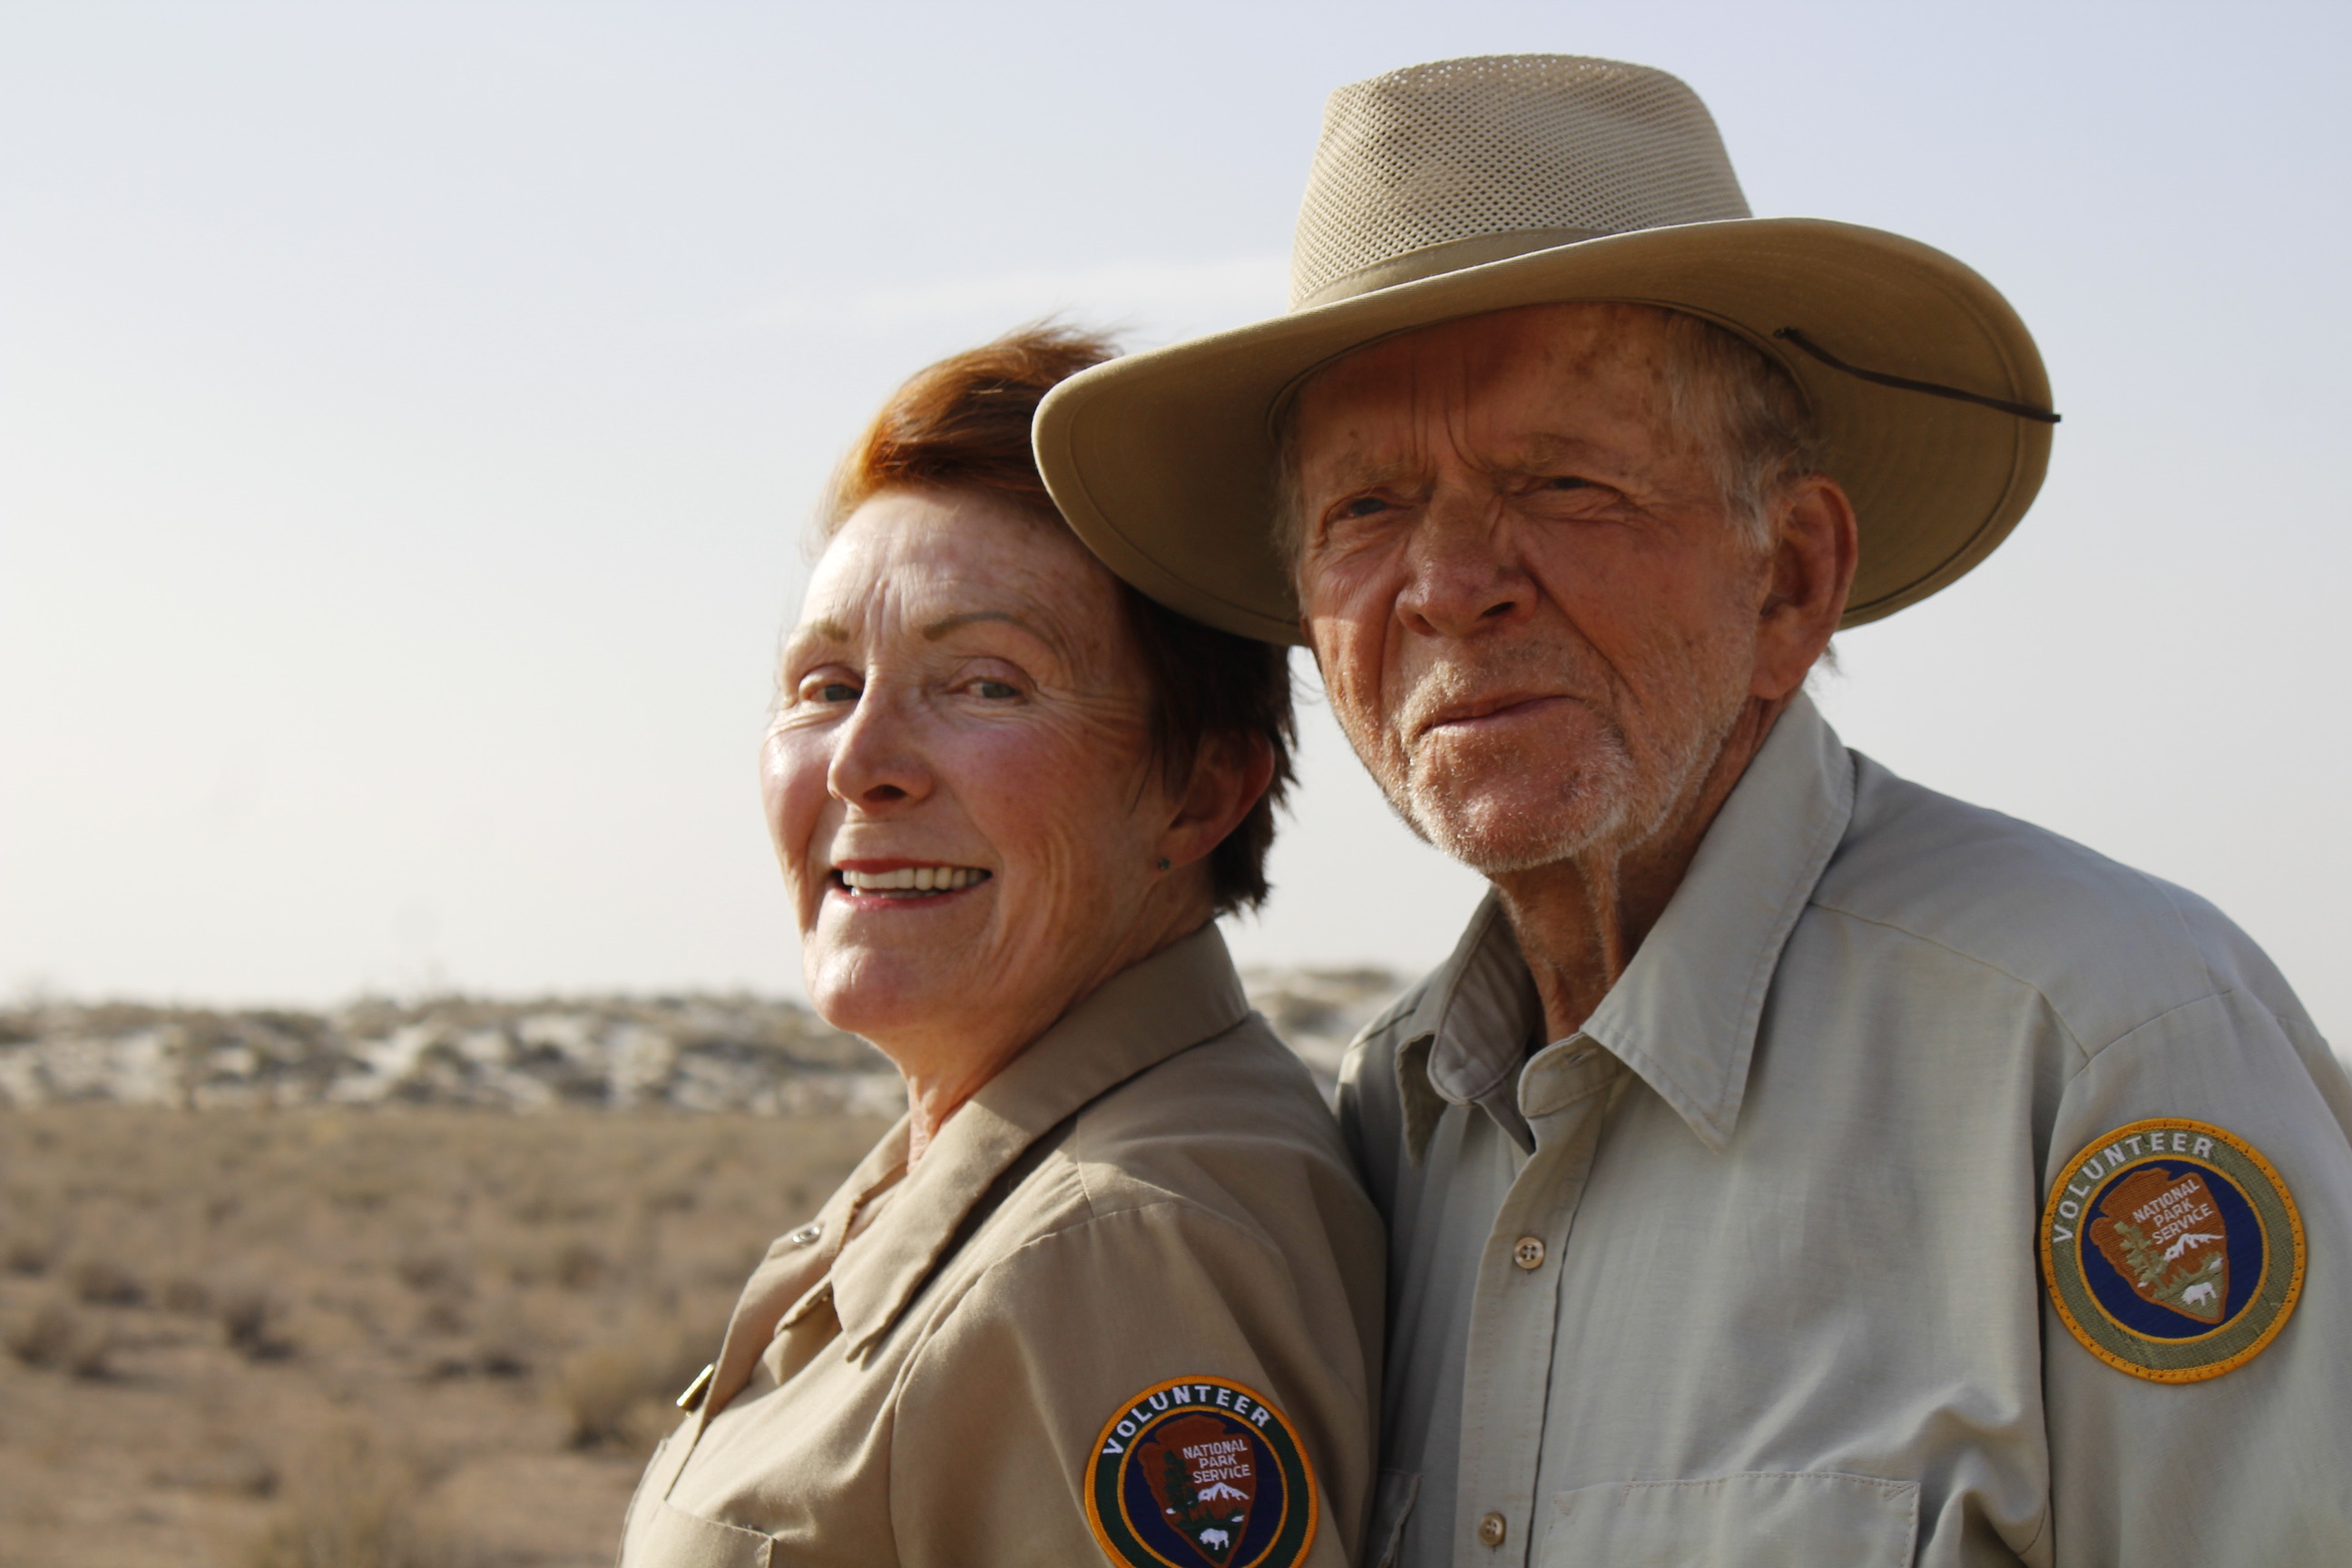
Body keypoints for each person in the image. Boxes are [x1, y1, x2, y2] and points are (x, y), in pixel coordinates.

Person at [1034, 54, 2352, 1566]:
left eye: (1565, 484)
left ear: (1789, 576)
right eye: (1367, 510)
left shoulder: (2104, 1043)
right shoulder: (1391, 1124)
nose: (1453, 583)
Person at [616, 328, 1382, 1568]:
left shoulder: (1121, 1255)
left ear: (1199, 791)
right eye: (823, 684)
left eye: (984, 684)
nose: (863, 762)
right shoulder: (1020, 1177)